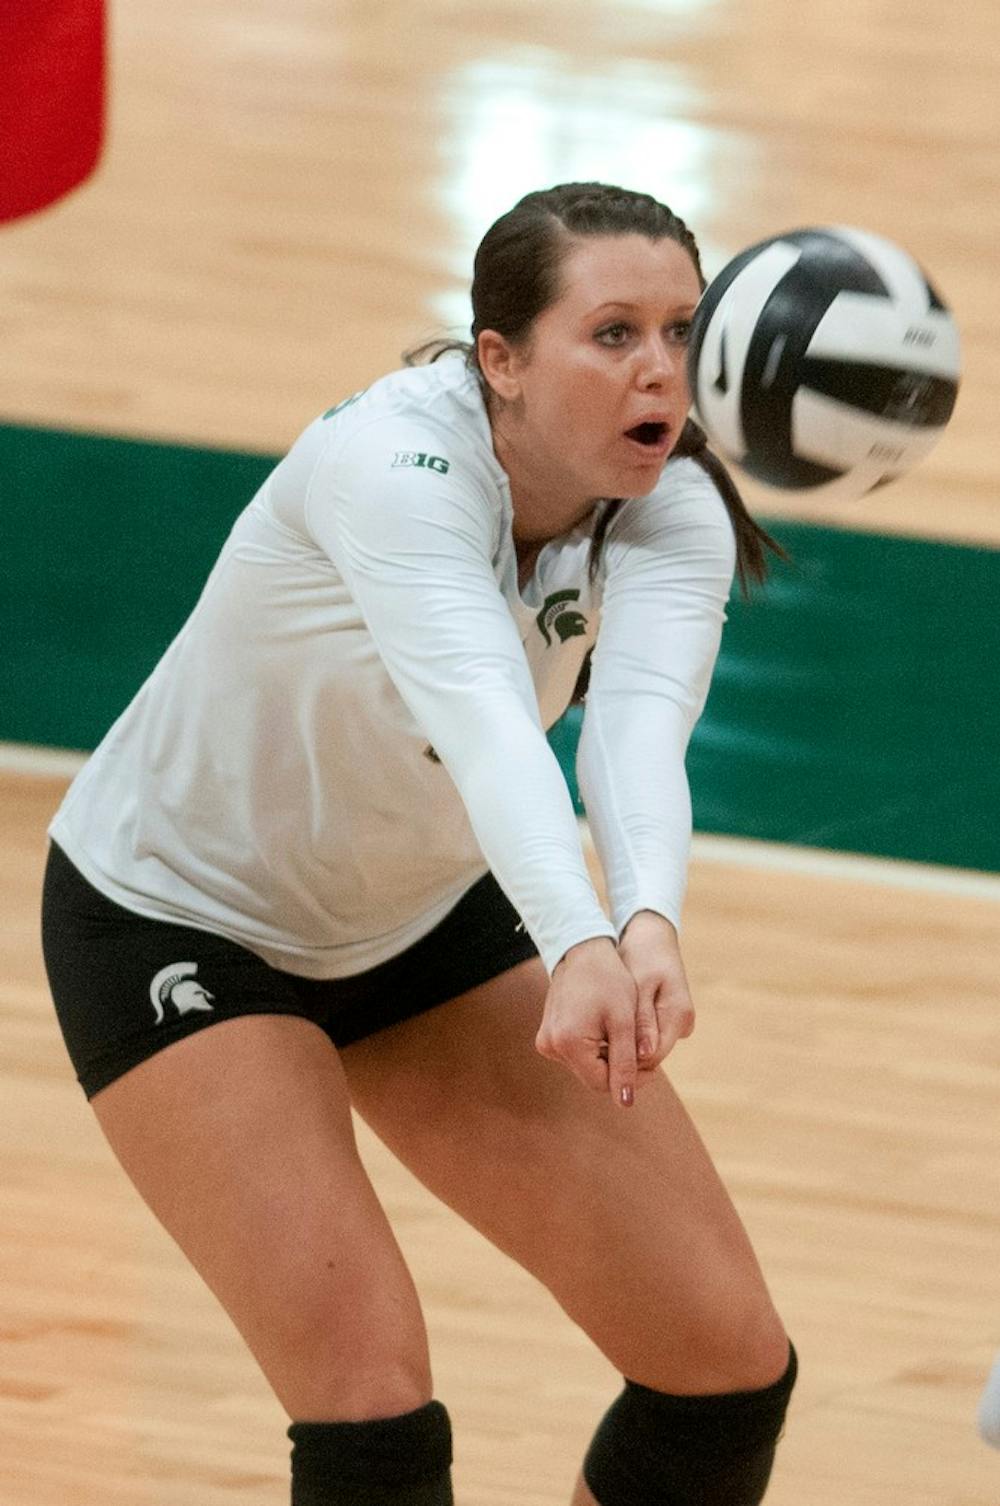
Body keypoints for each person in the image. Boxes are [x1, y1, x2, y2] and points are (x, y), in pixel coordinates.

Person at [41, 181, 797, 1506]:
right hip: (181, 916)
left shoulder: (667, 501)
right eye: (613, 330)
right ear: (498, 359)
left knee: (724, 1360)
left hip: (417, 914)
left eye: (680, 329)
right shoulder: (396, 473)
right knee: (373, 1402)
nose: (660, 367)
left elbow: (632, 739)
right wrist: (577, 935)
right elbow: (494, 726)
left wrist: (649, 923)